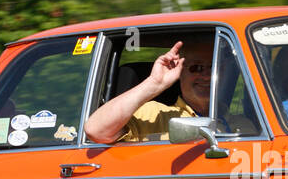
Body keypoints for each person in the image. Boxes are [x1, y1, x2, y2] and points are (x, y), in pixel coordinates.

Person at [84, 38, 213, 144]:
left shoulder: (231, 120)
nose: (207, 76)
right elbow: (96, 130)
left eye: (213, 67)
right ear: (180, 72)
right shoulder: (158, 114)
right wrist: (154, 83)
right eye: (197, 67)